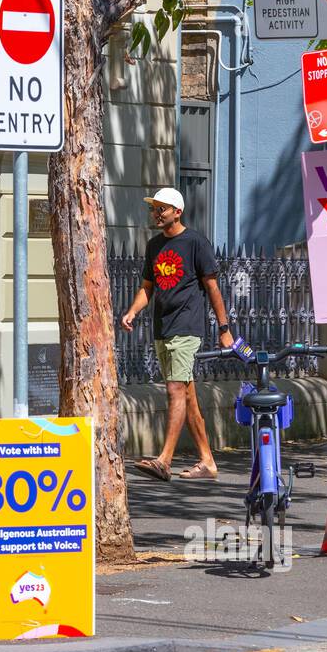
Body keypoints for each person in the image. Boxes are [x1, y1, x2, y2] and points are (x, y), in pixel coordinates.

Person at [120, 187, 235, 481]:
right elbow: (148, 287)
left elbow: (212, 288)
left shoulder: (196, 242)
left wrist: (224, 329)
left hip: (186, 327)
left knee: (174, 390)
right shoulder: (154, 245)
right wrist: (133, 311)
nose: (156, 213)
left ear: (177, 212)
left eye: (162, 208)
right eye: (154, 209)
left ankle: (164, 459)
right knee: (187, 395)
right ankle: (207, 461)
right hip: (163, 327)